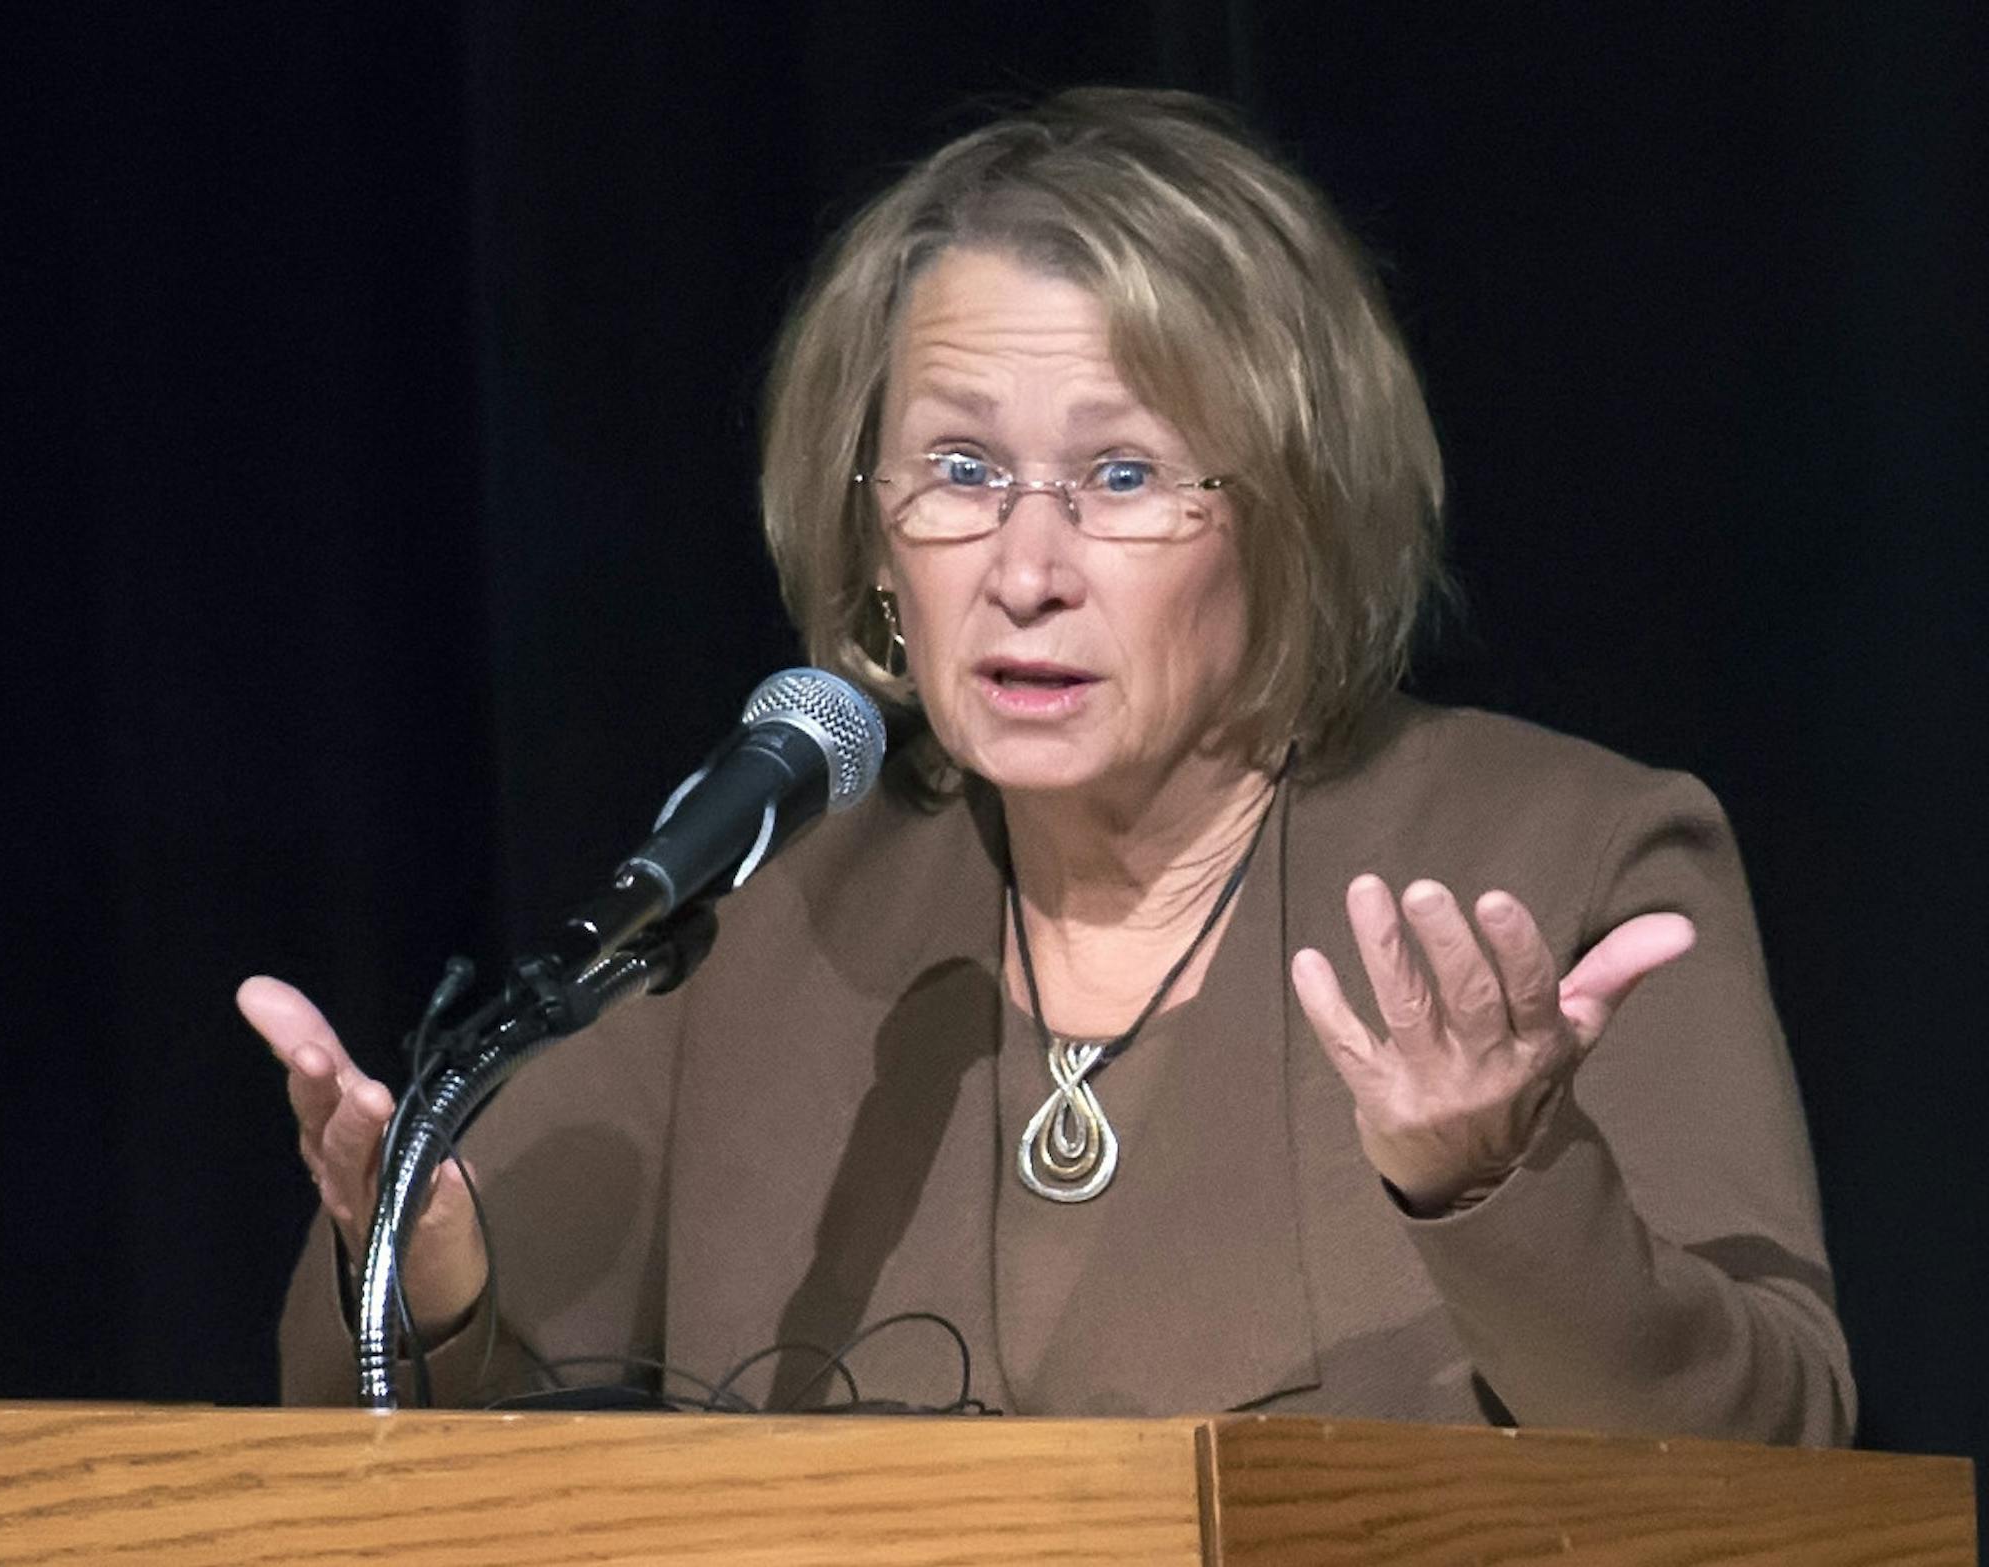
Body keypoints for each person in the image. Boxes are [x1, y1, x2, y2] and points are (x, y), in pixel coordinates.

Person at [243, 88, 1853, 1439]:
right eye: (960, 469)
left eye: (1123, 473)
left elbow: (1783, 1447)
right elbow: (373, 1450)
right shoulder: (764, 918)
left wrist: (1497, 1191)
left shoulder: (1560, 857)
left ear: (1290, 517)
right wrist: (422, 1258)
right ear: (878, 538)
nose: (1026, 564)